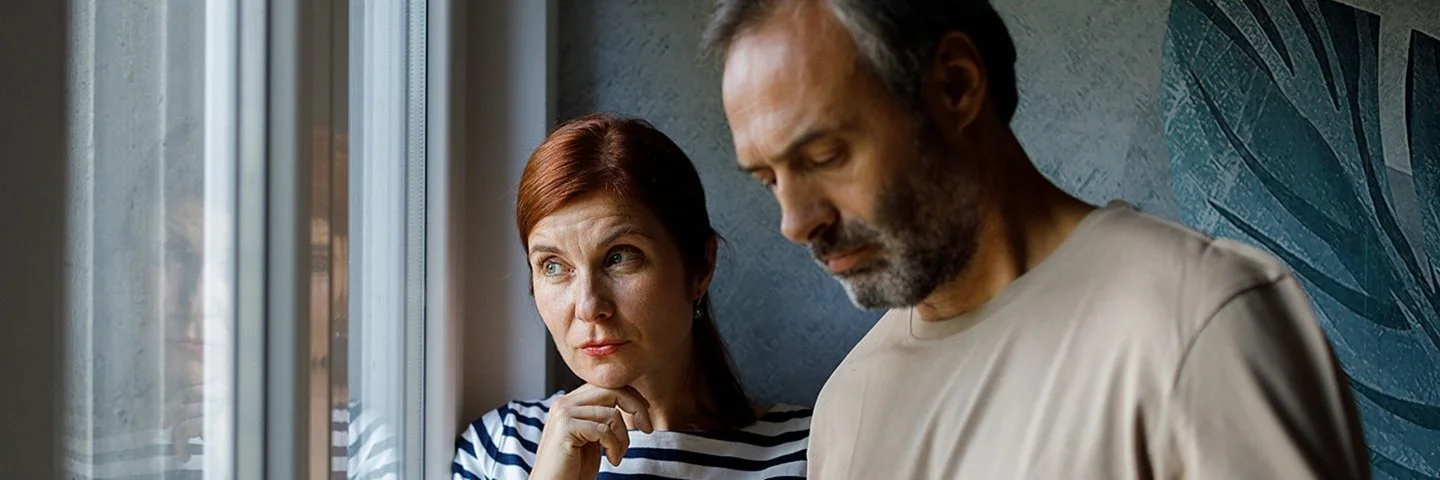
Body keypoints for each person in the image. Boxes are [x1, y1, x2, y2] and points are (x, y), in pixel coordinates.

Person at [703, 1, 1369, 478]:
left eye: (822, 156)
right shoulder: (848, 407)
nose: (795, 221)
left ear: (955, 87)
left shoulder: (1201, 319)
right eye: (767, 180)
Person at [451, 114, 812, 480]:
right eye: (554, 266)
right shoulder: (500, 448)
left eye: (620, 257)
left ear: (700, 267)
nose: (590, 307)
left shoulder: (809, 452)